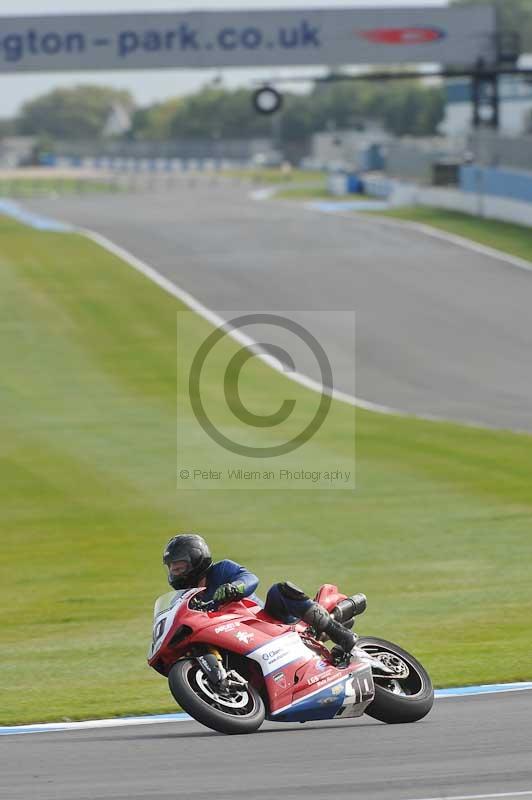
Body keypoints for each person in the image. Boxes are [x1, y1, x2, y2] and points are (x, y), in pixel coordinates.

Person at [162, 533, 356, 653]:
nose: (175, 573)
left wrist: (235, 588)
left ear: (196, 560)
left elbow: (250, 579)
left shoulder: (222, 570)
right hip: (237, 639)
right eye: (172, 569)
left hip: (266, 622)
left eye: (180, 568)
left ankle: (340, 633)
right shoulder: (190, 598)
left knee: (279, 591)